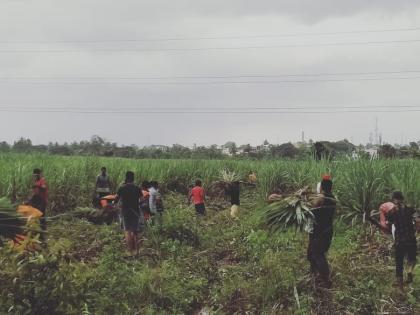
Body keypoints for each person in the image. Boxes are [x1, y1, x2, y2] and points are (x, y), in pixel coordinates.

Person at [307, 175, 336, 288]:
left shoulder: (321, 198)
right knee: (311, 253)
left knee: (317, 254)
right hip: (327, 230)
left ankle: (326, 280)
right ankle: (313, 273)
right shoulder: (332, 198)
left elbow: (310, 208)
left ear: (322, 187)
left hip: (319, 231)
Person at [386, 191, 417, 287]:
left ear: (394, 199)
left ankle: (400, 284)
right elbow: (417, 220)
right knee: (411, 259)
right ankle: (409, 273)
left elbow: (388, 226)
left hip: (400, 242)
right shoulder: (410, 209)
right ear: (402, 198)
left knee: (399, 262)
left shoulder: (391, 212)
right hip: (411, 240)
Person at [115, 171, 142, 256]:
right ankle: (137, 251)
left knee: (127, 231)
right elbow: (143, 199)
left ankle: (130, 251)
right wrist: (137, 204)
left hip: (125, 212)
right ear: (133, 178)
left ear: (126, 178)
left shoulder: (122, 188)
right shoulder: (137, 188)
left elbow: (116, 199)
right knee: (135, 231)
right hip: (135, 211)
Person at [28, 169, 48, 240]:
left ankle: (42, 235)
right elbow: (34, 193)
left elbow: (44, 187)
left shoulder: (42, 181)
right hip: (37, 202)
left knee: (41, 217)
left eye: (36, 175)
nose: (35, 177)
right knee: (38, 217)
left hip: (42, 202)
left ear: (39, 175)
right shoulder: (36, 182)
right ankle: (38, 233)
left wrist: (37, 186)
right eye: (34, 176)